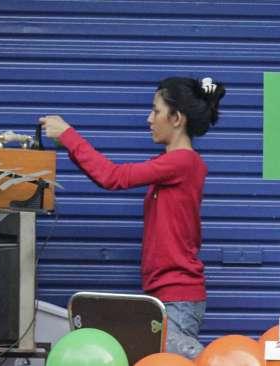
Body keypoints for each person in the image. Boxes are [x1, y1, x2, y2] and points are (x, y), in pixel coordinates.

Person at [39, 76, 225, 359]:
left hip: (177, 298)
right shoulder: (170, 166)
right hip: (165, 295)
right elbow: (109, 176)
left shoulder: (183, 162)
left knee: (183, 360)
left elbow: (113, 177)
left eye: (156, 111)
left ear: (177, 118)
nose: (149, 118)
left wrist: (68, 135)